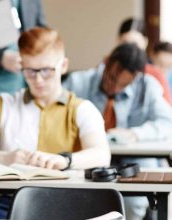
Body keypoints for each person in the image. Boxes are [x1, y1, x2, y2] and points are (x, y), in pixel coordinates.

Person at [0, 27, 111, 219]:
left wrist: (65, 160)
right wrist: (6, 158)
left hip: (67, 201)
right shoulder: (4, 105)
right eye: (29, 71)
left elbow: (102, 155)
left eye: (46, 70)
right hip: (9, 202)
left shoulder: (83, 109)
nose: (38, 80)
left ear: (63, 66)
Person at [63, 43, 172, 220]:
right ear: (106, 62)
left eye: (123, 85)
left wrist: (135, 133)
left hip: (133, 160)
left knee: (135, 200)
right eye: (111, 78)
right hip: (88, 157)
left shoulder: (148, 87)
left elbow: (168, 122)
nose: (114, 88)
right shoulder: (77, 82)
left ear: (136, 77)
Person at [118, 17, 172, 104]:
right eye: (125, 43)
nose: (130, 49)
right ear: (118, 41)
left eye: (135, 43)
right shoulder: (105, 69)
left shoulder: (154, 74)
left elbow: (167, 111)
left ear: (145, 42)